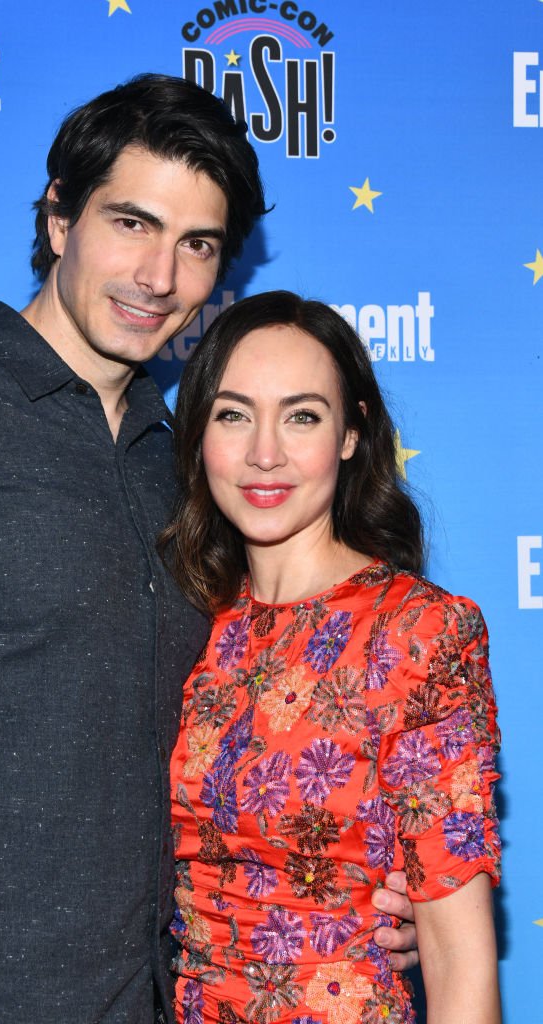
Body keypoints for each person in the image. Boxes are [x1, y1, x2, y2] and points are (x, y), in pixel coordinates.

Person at [0, 77, 416, 1024]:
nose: (159, 276)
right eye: (130, 223)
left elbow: (266, 731)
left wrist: (345, 885)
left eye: (196, 244)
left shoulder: (201, 469)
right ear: (58, 219)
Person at [162, 291, 501, 1023]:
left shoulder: (419, 632)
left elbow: (455, 953)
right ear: (197, 435)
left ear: (351, 434)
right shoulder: (183, 623)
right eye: (232, 413)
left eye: (302, 416)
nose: (264, 452)